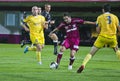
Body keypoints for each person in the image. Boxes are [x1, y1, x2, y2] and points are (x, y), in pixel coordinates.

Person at [77, 4, 120, 73]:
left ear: (103, 10)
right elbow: (119, 28)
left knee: (91, 53)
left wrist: (100, 35)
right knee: (117, 50)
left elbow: (97, 30)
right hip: (112, 37)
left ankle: (83, 64)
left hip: (102, 37)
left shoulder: (100, 17)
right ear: (110, 10)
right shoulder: (115, 17)